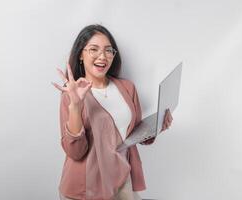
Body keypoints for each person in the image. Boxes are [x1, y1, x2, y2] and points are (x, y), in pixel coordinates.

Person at [52, 24, 173, 200]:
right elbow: (76, 152)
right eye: (94, 49)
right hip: (86, 189)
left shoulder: (127, 88)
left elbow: (133, 134)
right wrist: (76, 106)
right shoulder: (71, 94)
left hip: (122, 179)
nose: (102, 56)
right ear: (80, 54)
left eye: (108, 50)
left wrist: (157, 125)